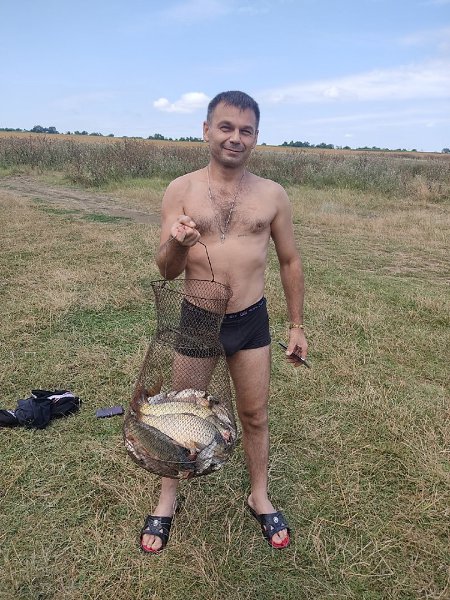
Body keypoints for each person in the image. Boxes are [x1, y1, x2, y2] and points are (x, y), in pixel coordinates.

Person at [140, 90, 308, 553]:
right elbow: (166, 270)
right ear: (206, 130)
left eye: (246, 130)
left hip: (251, 321)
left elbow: (290, 261)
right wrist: (178, 243)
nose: (235, 138)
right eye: (226, 127)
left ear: (256, 136)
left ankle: (259, 495)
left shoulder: (273, 194)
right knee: (181, 414)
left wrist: (296, 324)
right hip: (197, 318)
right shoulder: (181, 190)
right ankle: (167, 499)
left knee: (254, 414)